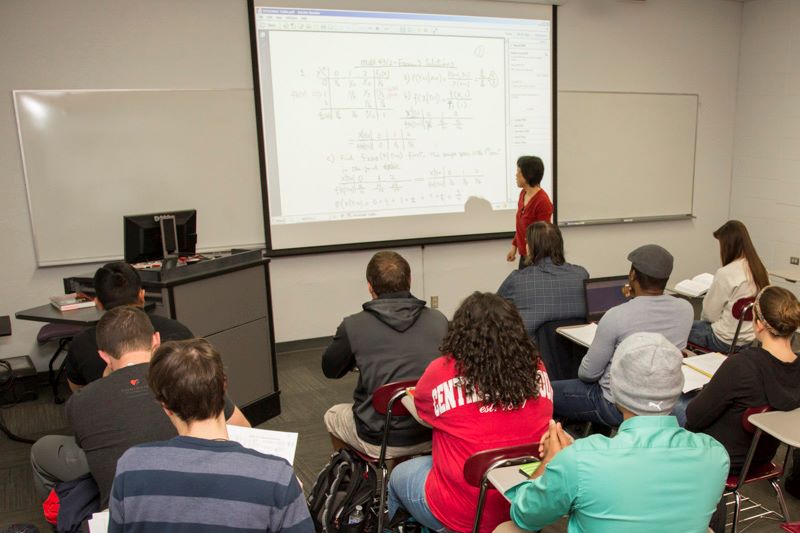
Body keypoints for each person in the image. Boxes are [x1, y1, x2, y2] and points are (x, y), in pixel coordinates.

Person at [501, 333, 729, 533]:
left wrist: (552, 463)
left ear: (615, 389)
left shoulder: (579, 459)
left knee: (507, 529)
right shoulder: (715, 454)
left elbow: (525, 515)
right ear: (678, 387)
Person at [30, 306, 250, 508]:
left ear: (104, 354)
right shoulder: (185, 380)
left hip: (122, 507)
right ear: (156, 340)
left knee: (44, 449)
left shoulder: (80, 400)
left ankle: (63, 514)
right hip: (197, 495)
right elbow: (244, 429)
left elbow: (87, 443)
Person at [387, 292, 553, 533]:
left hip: (459, 513)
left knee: (399, 475)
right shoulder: (538, 367)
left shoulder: (441, 371)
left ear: (461, 334)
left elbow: (423, 412)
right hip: (524, 508)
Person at [109, 338, 313, 532]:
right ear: (223, 387)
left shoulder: (131, 466)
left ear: (165, 405)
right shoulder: (277, 477)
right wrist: (293, 498)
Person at [321, 251, 447, 458]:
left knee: (332, 415)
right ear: (409, 280)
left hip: (380, 437)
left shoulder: (353, 325)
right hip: (432, 430)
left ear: (370, 287)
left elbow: (330, 370)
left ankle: (356, 480)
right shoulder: (439, 320)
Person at [552, 244, 693, 428]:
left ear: (633, 276)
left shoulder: (616, 315)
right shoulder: (686, 310)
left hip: (617, 406)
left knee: (546, 393)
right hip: (663, 403)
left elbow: (588, 374)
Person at [686, 285, 800, 471]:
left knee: (673, 405)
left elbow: (694, 417)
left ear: (759, 324)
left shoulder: (742, 365)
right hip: (761, 457)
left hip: (718, 455)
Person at [64, 261, 192, 390]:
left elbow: (78, 391)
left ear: (98, 303)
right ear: (142, 295)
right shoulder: (178, 331)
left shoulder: (81, 344)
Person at [688, 220, 770, 353]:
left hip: (722, 341)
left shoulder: (726, 273)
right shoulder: (761, 270)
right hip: (749, 340)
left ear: (728, 246)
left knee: (681, 327)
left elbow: (709, 315)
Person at [498, 221, 589, 337]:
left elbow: (494, 309)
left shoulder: (517, 279)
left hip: (532, 351)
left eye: (527, 242)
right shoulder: (581, 275)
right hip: (575, 350)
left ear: (532, 247)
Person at [506, 155, 553, 269]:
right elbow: (520, 225)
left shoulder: (542, 201)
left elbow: (544, 235)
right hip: (524, 255)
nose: (516, 175)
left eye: (519, 172)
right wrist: (514, 246)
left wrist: (531, 257)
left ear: (528, 175)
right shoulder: (523, 193)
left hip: (536, 259)